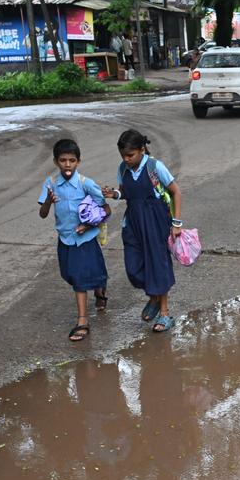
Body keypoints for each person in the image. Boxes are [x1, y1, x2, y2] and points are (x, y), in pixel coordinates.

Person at [101, 130, 183, 333]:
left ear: (142, 149)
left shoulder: (155, 167)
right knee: (134, 267)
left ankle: (164, 313)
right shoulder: (123, 168)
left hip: (156, 221)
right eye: (123, 156)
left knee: (158, 265)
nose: (127, 160)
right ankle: (153, 297)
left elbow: (175, 191)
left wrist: (177, 223)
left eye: (130, 155)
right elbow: (126, 192)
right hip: (133, 224)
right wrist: (115, 194)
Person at [38, 138, 111, 342]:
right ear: (56, 162)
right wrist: (47, 201)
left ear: (78, 161)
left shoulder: (85, 183)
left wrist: (87, 225)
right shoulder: (51, 184)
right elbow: (43, 214)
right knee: (70, 274)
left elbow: (106, 210)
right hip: (65, 239)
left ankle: (82, 321)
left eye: (71, 160)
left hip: (85, 239)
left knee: (79, 279)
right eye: (63, 160)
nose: (67, 164)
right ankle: (99, 290)